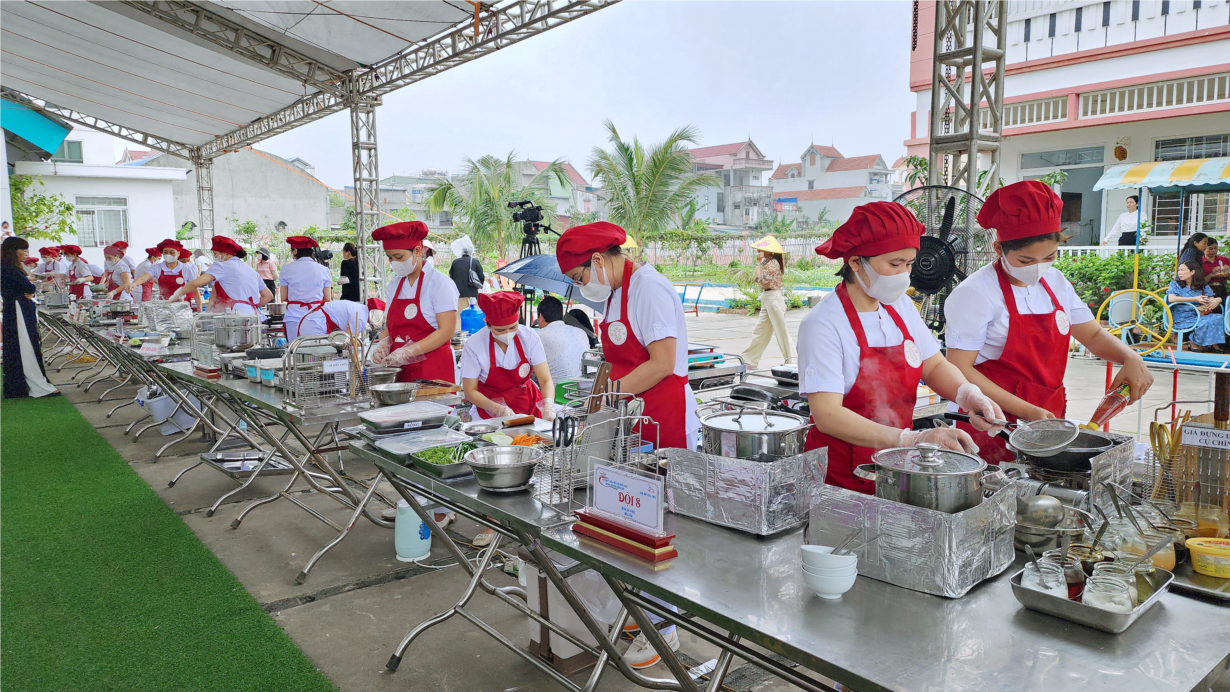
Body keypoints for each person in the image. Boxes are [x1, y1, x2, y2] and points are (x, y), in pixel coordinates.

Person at [798, 201, 1005, 491]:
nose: (903, 275)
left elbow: (933, 364)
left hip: (896, 466)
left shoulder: (900, 306)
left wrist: (968, 394)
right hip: (841, 477)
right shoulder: (823, 324)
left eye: (909, 264)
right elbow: (828, 416)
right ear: (855, 262)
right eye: (894, 264)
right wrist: (910, 439)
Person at [945, 181, 1155, 462]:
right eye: (1025, 260)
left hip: (1046, 416)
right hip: (991, 421)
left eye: (1049, 256)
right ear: (998, 249)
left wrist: (1130, 357)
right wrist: (1027, 411)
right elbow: (959, 368)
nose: (1038, 267)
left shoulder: (1056, 282)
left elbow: (1091, 335)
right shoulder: (975, 293)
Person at [558, 221, 700, 450]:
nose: (580, 285)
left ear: (597, 260)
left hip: (665, 415)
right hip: (633, 415)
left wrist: (605, 395)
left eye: (578, 277)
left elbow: (663, 363)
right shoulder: (614, 292)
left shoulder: (648, 288)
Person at [369, 221, 460, 383]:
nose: (394, 263)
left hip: (433, 369)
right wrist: (383, 344)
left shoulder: (440, 283)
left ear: (417, 251)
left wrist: (408, 352)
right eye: (390, 258)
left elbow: (446, 331)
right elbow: (389, 326)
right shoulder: (394, 285)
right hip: (400, 369)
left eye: (399, 257)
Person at [461, 290, 555, 421]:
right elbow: (470, 391)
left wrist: (548, 405)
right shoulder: (474, 345)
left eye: (513, 327)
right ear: (487, 323)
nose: (507, 333)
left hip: (529, 407)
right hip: (489, 413)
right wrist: (496, 409)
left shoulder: (529, 337)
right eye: (500, 330)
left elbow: (545, 380)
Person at [1, 237, 58, 398]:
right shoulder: (9, 269)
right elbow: (28, 286)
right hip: (18, 310)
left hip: (14, 309)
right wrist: (30, 289)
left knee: (18, 347)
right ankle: (37, 385)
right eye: (23, 250)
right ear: (14, 251)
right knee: (26, 347)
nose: (26, 253)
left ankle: (22, 386)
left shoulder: (8, 267)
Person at [169, 236, 271, 314]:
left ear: (225, 253)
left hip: (234, 316)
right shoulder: (250, 270)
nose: (214, 257)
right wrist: (247, 306)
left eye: (215, 254)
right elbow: (268, 296)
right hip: (254, 315)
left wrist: (176, 296)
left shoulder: (221, 266)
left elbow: (195, 283)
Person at [741, 235, 796, 369]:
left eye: (761, 249)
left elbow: (759, 280)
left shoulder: (772, 263)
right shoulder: (767, 262)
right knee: (760, 331)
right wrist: (760, 263)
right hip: (768, 298)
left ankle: (793, 362)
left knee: (781, 332)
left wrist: (758, 263)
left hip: (773, 298)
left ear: (769, 251)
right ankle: (750, 360)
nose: (759, 251)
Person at [279, 236, 332, 341]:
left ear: (295, 251)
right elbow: (327, 298)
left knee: (294, 348)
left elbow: (284, 296)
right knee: (314, 348)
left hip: (293, 316)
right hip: (315, 316)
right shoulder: (324, 270)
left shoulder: (286, 269)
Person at [1168, 260, 1225, 353]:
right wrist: (1195, 299)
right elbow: (1171, 298)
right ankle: (1193, 342)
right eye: (1179, 270)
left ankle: (1213, 344)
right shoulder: (1175, 284)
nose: (1179, 273)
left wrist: (1218, 299)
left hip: (1198, 313)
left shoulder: (1202, 286)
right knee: (1205, 322)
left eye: (1183, 270)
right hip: (1182, 316)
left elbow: (1211, 299)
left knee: (1218, 317)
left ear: (1192, 272)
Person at [130, 239, 201, 309]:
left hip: (182, 307)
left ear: (178, 253)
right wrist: (134, 284)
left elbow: (195, 290)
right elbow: (143, 278)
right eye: (165, 252)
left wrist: (199, 309)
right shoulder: (157, 268)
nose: (168, 255)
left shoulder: (187, 269)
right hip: (164, 307)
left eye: (172, 252)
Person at [535, 295, 590, 382]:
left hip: (557, 389)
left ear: (541, 317)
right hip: (586, 387)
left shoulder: (538, 335)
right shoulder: (581, 332)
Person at [449, 235, 484, 313]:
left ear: (462, 253)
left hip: (458, 294)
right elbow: (481, 277)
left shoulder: (455, 262)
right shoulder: (475, 262)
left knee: (460, 315)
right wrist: (478, 286)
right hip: (472, 294)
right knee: (472, 315)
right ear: (471, 252)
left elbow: (451, 277)